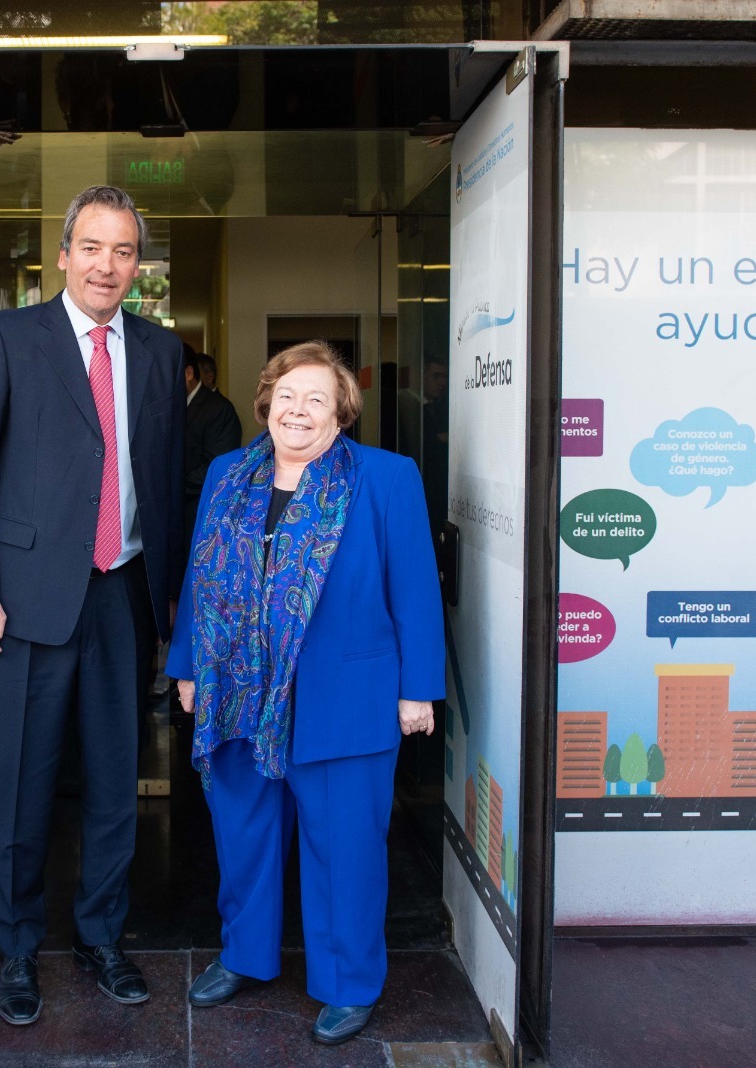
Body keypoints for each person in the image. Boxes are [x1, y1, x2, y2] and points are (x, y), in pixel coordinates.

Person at [0, 185, 185, 1026]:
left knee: (119, 781)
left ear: (137, 264)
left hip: (124, 596)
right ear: (62, 253)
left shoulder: (160, 350)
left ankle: (100, 937)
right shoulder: (8, 339)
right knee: (18, 784)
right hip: (22, 603)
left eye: (124, 252)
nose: (107, 265)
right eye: (92, 247)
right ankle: (16, 949)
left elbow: (161, 483)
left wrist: (174, 600)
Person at [166, 341, 444, 1046]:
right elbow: (200, 579)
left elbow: (415, 588)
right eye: (288, 395)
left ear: (343, 412)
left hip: (344, 695)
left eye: (317, 398)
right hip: (238, 691)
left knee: (345, 846)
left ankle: (349, 982)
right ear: (266, 401)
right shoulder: (230, 473)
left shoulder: (385, 478)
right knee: (245, 834)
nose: (299, 410)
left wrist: (418, 689)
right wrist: (190, 664)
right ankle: (244, 955)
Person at [183, 348, 242, 552]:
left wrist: (175, 487)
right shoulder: (176, 405)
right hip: (180, 512)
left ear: (188, 374)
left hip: (201, 509)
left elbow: (219, 466)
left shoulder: (219, 409)